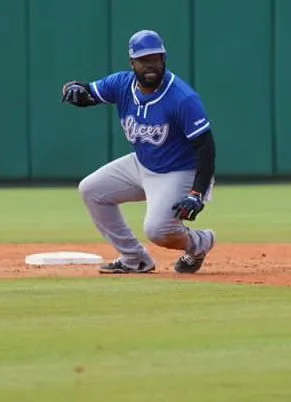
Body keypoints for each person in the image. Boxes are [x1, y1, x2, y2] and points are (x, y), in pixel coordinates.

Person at [61, 29, 217, 274]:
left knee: (158, 230)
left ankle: (200, 243)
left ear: (164, 59)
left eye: (155, 58)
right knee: (91, 189)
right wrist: (73, 89)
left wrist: (196, 193)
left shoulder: (182, 98)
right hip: (142, 163)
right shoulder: (121, 84)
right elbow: (88, 94)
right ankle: (134, 259)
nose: (150, 65)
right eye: (144, 60)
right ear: (132, 63)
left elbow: (206, 148)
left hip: (178, 171)